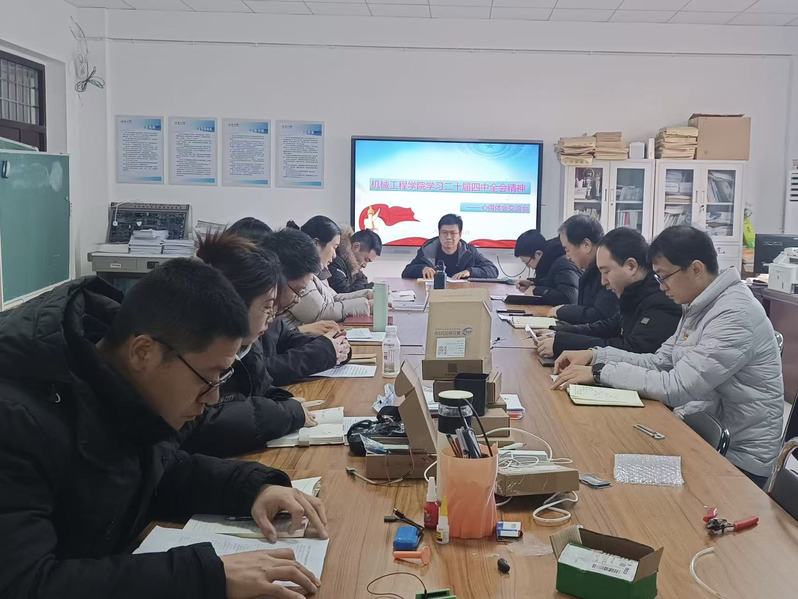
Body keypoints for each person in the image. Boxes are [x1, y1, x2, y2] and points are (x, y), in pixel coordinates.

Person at [0, 259, 326, 598]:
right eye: (208, 377)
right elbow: (25, 584)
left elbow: (157, 472)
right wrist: (206, 576)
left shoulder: (119, 383)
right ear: (143, 352)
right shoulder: (16, 421)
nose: (213, 398)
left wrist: (252, 489)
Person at [553, 225, 784, 487]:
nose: (661, 287)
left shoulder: (734, 314)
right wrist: (595, 355)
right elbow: (658, 361)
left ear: (696, 269)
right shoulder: (699, 305)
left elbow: (677, 387)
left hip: (737, 460)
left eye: (664, 277)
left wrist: (599, 372)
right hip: (698, 432)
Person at [179, 232, 321, 457]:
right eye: (267, 306)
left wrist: (285, 402)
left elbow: (261, 389)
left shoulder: (248, 346)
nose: (272, 317)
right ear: (234, 304)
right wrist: (284, 413)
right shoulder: (195, 350)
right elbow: (203, 425)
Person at [535, 227, 681, 358]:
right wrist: (559, 333)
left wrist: (563, 343)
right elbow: (608, 327)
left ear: (631, 266)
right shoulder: (635, 293)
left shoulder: (662, 299)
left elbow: (633, 349)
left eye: (606, 272)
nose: (603, 282)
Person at [282, 217, 372, 325]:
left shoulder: (319, 270)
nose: (334, 255)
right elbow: (320, 314)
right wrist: (365, 305)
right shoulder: (298, 271)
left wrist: (367, 295)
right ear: (316, 244)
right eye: (334, 247)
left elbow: (333, 298)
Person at [548, 214, 619, 324]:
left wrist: (562, 311)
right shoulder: (591, 270)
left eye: (567, 250)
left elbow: (599, 316)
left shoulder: (607, 272)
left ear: (586, 245)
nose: (567, 257)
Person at [401, 213, 499, 280]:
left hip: (461, 295)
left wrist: (470, 272)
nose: (448, 237)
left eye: (453, 233)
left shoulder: (469, 252)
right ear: (439, 233)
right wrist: (422, 269)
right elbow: (406, 272)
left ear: (460, 234)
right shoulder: (427, 250)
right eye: (444, 233)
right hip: (434, 295)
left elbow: (493, 271)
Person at [514, 229, 580, 305]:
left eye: (527, 263)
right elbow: (550, 283)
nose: (528, 266)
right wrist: (532, 284)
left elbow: (568, 298)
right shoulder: (547, 262)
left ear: (538, 254)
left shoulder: (563, 264)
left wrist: (536, 290)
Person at [329, 227, 382, 294]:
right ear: (356, 247)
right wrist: (367, 287)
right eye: (366, 259)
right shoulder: (334, 261)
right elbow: (344, 292)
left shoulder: (352, 266)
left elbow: (363, 279)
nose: (364, 265)